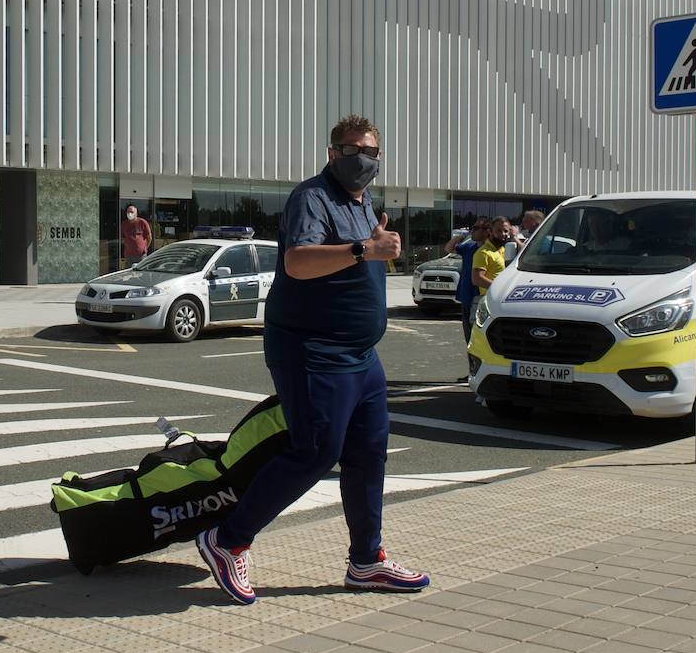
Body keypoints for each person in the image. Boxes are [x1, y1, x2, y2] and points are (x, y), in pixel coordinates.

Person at [195, 114, 430, 604]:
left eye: (370, 152)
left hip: (362, 355)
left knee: (369, 453)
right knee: (316, 450)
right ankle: (227, 538)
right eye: (350, 150)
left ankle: (366, 562)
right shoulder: (313, 197)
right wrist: (366, 248)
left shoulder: (367, 205)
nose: (361, 159)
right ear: (331, 153)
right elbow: (298, 261)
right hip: (313, 351)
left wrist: (372, 245)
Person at [445, 218, 490, 379]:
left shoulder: (489, 249)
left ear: (486, 231)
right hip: (466, 297)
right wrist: (459, 236)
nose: (473, 230)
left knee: (479, 339)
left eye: (476, 228)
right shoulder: (469, 246)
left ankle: (481, 372)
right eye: (473, 227)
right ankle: (472, 371)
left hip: (479, 298)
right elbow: (449, 248)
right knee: (469, 338)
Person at [472, 217, 513, 296]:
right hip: (489, 298)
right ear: (490, 232)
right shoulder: (483, 253)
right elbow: (477, 279)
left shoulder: (504, 250)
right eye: (498, 231)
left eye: (506, 231)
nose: (503, 234)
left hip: (502, 297)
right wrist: (499, 288)